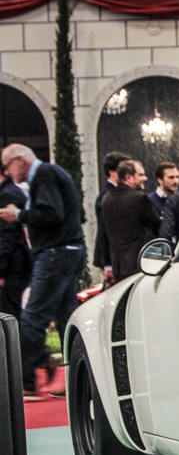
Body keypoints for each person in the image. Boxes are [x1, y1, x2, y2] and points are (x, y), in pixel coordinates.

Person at [0, 144, 87, 398]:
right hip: (66, 251)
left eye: (7, 166)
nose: (8, 173)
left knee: (33, 317)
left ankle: (27, 382)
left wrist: (19, 214)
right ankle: (79, 379)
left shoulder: (44, 174)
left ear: (20, 160)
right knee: (67, 319)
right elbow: (74, 212)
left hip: (55, 253)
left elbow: (51, 213)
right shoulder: (52, 173)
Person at [101, 160, 161, 283]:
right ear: (129, 177)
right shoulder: (139, 198)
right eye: (141, 175)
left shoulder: (106, 199)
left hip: (118, 266)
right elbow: (157, 226)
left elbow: (104, 234)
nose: (145, 178)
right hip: (138, 264)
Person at [93, 151, 129, 286]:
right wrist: (107, 264)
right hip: (111, 258)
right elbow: (104, 231)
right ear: (112, 172)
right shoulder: (106, 196)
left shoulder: (117, 192)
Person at [0, 171, 32, 320]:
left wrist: (1, 271)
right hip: (15, 261)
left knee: (7, 313)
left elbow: (6, 236)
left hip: (12, 265)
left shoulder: (6, 195)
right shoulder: (11, 191)